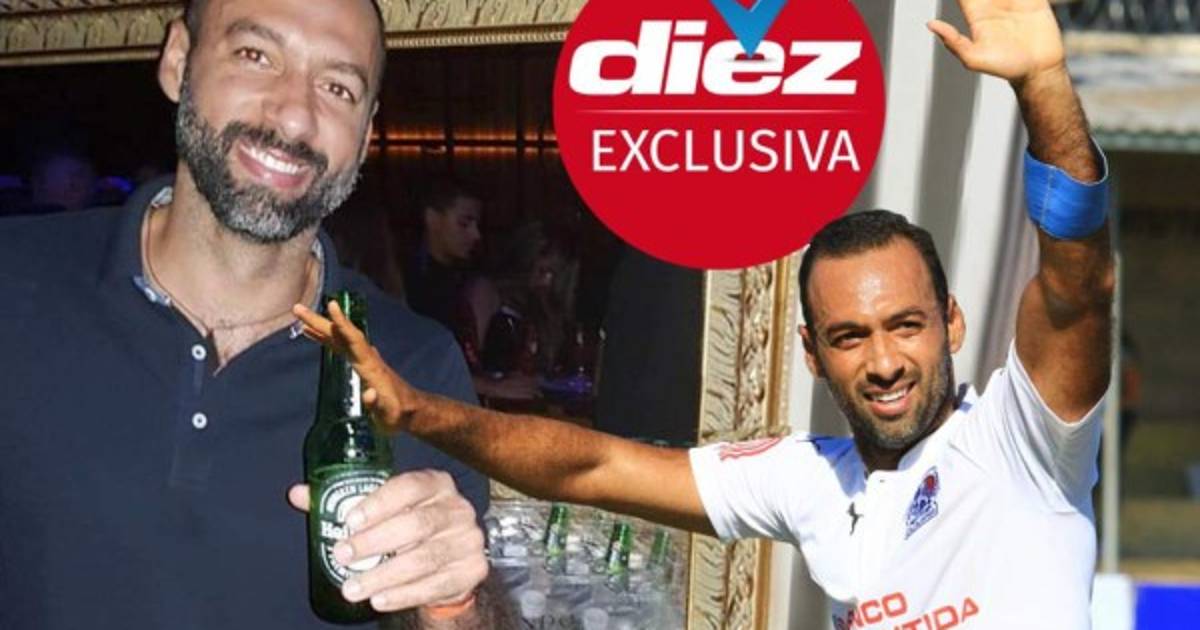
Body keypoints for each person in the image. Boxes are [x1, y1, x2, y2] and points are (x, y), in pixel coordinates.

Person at [294, 0, 1113, 627]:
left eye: (907, 325)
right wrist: (422, 412)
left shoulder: (1022, 447)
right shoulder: (810, 477)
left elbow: (1078, 288)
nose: (885, 361)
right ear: (813, 353)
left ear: (952, 324)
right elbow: (593, 468)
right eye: (850, 336)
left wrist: (1043, 84)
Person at [0, 1, 508, 628]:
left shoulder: (417, 363)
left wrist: (453, 602)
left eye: (338, 87)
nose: (295, 115)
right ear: (179, 61)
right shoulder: (14, 281)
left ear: (366, 132)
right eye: (256, 56)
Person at [403, 177, 484, 334]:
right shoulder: (407, 282)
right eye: (464, 224)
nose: (476, 235)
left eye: (477, 225)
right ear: (432, 219)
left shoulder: (466, 278)